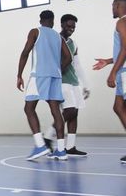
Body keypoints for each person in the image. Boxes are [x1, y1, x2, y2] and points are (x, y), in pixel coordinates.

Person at [17, 10, 72, 161]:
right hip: (55, 76)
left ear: (40, 20)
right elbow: (69, 57)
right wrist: (58, 68)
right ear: (53, 21)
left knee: (29, 108)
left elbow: (25, 53)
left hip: (39, 75)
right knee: (55, 110)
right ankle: (61, 150)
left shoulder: (35, 31)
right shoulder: (58, 36)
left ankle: (40, 145)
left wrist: (19, 75)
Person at [43, 14, 90, 157]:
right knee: (69, 111)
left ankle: (70, 147)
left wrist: (86, 85)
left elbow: (77, 65)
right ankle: (48, 135)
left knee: (75, 113)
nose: (71, 29)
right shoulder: (55, 39)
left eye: (73, 27)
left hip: (74, 82)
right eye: (69, 26)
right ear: (62, 24)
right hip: (61, 81)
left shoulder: (73, 43)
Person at [93, 0, 126, 164]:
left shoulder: (121, 22)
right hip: (122, 69)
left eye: (113, 6)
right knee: (118, 107)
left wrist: (113, 72)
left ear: (118, 5)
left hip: (124, 72)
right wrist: (108, 61)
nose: (112, 9)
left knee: (120, 107)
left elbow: (125, 49)